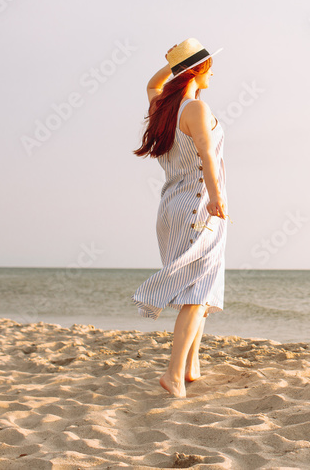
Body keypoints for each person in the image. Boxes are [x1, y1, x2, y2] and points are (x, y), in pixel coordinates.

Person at [132, 38, 228, 398]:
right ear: (198, 69)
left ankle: (190, 365)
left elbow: (152, 85)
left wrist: (177, 65)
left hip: (170, 208)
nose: (213, 72)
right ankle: (174, 373)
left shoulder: (162, 107)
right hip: (197, 205)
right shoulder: (195, 110)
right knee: (197, 295)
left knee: (197, 287)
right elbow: (206, 155)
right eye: (207, 65)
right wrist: (216, 199)